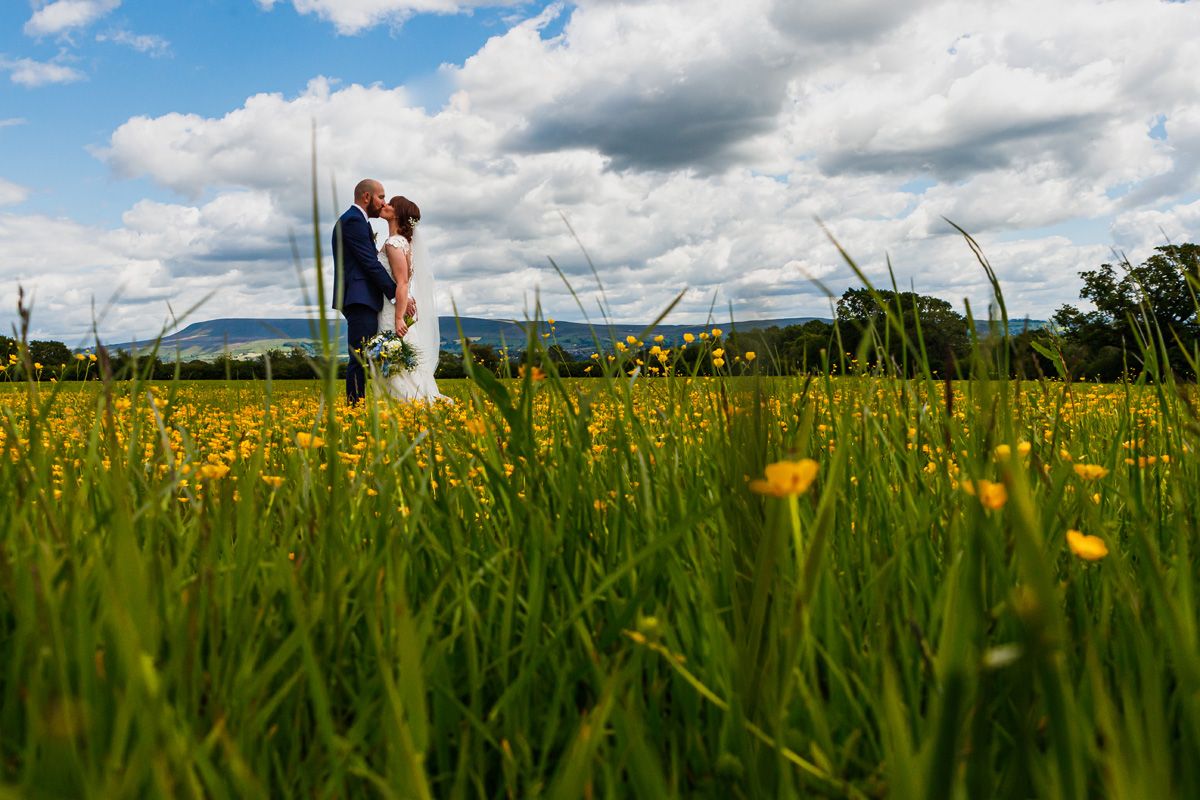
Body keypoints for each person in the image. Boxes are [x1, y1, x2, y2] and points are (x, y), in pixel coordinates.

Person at [331, 178, 411, 404]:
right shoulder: (353, 221)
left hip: (363, 297)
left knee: (363, 356)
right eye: (382, 197)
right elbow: (370, 263)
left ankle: (360, 403)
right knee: (359, 356)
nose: (384, 202)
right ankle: (354, 407)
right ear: (367, 197)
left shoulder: (358, 221)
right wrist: (396, 294)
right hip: (360, 298)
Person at [374, 196, 450, 402]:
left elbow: (402, 282)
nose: (385, 205)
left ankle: (405, 400)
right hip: (392, 304)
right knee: (395, 356)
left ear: (397, 213)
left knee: (394, 356)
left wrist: (399, 318)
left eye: (390, 204)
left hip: (391, 310)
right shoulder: (404, 243)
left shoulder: (394, 243)